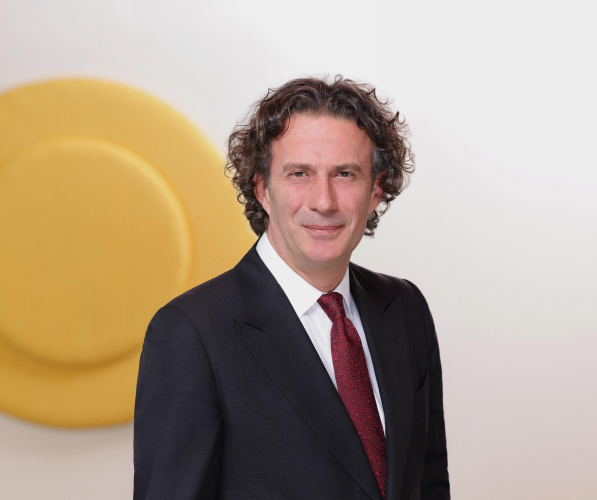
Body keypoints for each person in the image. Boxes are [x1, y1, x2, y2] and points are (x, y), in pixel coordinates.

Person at [133, 76, 449, 500]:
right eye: (299, 173)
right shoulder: (192, 333)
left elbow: (429, 484)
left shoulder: (405, 308)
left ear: (376, 189)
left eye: (345, 174)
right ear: (262, 188)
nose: (323, 201)